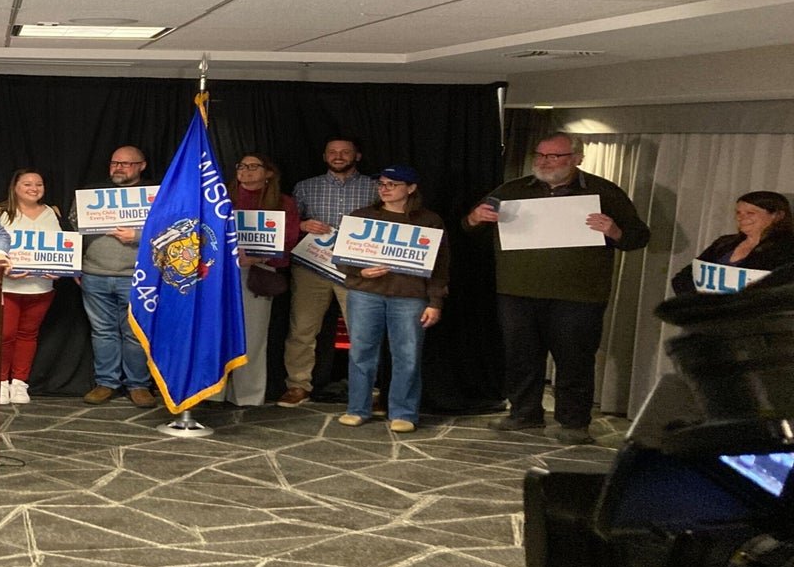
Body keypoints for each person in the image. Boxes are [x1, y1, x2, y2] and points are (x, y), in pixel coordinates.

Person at [466, 133, 650, 445]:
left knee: (574, 359)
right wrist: (475, 217)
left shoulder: (603, 192)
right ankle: (524, 414)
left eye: (555, 156)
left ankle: (574, 422)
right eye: (540, 155)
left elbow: (638, 237)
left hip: (578, 295)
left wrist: (614, 230)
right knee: (520, 356)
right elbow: (468, 227)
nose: (544, 161)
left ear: (577, 158)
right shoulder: (513, 189)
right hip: (517, 290)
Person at [336, 166, 449, 432]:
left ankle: (404, 413)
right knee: (361, 353)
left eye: (393, 184)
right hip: (365, 293)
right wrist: (360, 270)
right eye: (382, 184)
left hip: (410, 297)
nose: (385, 188)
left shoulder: (429, 221)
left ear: (411, 188)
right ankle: (357, 408)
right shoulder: (362, 217)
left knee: (407, 355)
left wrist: (435, 302)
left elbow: (440, 266)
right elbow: (340, 258)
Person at [279, 137, 379, 407]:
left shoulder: (375, 187)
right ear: (324, 156)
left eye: (345, 152)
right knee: (302, 328)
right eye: (332, 152)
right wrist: (303, 225)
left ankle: (365, 388)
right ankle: (298, 385)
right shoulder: (305, 187)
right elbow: (288, 224)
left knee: (362, 331)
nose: (338, 156)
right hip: (312, 266)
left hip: (357, 269)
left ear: (357, 156)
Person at [71, 146, 157, 408]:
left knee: (134, 333)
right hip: (94, 273)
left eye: (126, 164)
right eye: (114, 163)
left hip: (137, 276)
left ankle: (138, 385)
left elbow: (172, 231)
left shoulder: (156, 195)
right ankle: (106, 382)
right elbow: (75, 229)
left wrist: (138, 236)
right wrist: (75, 265)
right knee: (102, 331)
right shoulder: (91, 193)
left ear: (142, 166)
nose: (119, 168)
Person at [223, 154, 300, 406]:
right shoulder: (221, 198)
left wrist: (256, 258)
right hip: (219, 274)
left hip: (257, 273)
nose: (245, 170)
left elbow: (288, 241)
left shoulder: (282, 203)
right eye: (242, 166)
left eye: (253, 166)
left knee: (252, 336)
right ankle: (211, 392)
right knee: (216, 333)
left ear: (268, 173)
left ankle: (247, 396)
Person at [0, 169, 63, 405]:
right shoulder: (0, 212)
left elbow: (62, 248)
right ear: (15, 187)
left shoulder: (51, 213)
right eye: (27, 184)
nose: (34, 188)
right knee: (5, 335)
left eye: (39, 184)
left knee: (28, 335)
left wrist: (60, 269)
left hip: (41, 286)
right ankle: (1, 382)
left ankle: (20, 383)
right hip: (8, 286)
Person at [670, 191, 794, 295]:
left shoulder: (787, 248)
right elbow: (683, 278)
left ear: (777, 216)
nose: (741, 217)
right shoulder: (724, 243)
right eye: (738, 212)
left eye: (750, 213)